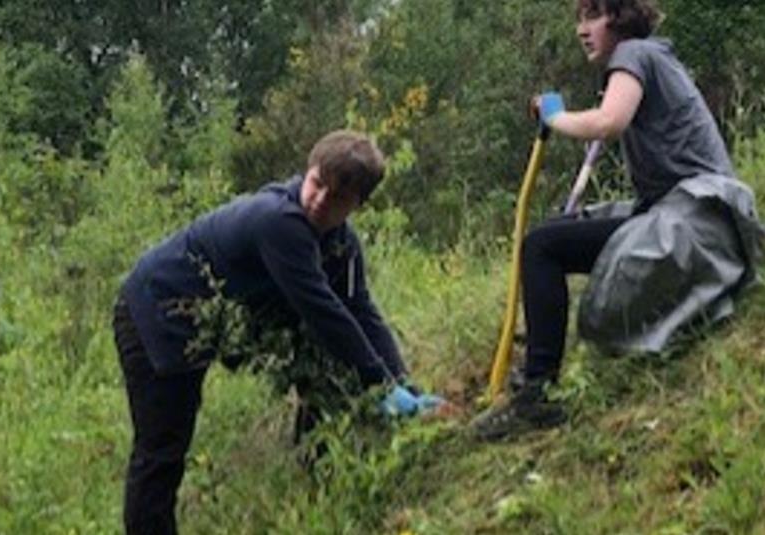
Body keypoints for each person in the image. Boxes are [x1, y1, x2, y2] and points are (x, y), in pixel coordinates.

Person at [112, 130, 445, 534]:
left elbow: (361, 311)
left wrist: (402, 384)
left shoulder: (341, 245)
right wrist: (379, 384)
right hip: (156, 309)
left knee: (322, 374)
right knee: (162, 449)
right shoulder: (278, 221)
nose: (319, 201)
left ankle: (316, 494)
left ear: (358, 205)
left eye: (337, 197)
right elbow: (324, 312)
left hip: (202, 319)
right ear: (307, 172)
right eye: (317, 184)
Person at [472, 0, 763, 441]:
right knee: (553, 237)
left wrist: (555, 117)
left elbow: (610, 121)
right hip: (692, 216)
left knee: (541, 247)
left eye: (592, 16)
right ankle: (536, 376)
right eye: (579, 19)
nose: (581, 29)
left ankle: (536, 393)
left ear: (621, 19)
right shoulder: (649, 59)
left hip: (695, 219)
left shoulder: (634, 54)